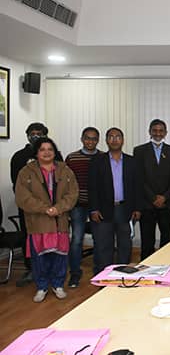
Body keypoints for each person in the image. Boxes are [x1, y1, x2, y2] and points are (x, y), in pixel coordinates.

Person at [15, 137, 78, 302]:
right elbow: (22, 197)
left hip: (60, 220)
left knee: (60, 256)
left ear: (55, 151)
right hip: (38, 221)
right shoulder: (26, 172)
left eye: (50, 149)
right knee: (40, 258)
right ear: (36, 152)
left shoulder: (65, 170)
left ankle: (58, 285)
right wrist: (44, 209)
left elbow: (72, 194)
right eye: (42, 149)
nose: (46, 152)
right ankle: (42, 287)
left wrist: (58, 208)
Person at [10, 122, 63, 287]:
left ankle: (53, 272)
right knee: (31, 239)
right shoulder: (19, 156)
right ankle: (32, 269)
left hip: (53, 209)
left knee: (54, 239)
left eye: (39, 133)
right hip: (30, 209)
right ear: (27, 135)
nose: (35, 136)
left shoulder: (56, 155)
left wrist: (54, 206)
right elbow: (17, 185)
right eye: (32, 133)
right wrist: (35, 205)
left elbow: (62, 183)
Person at [88, 127, 142, 274]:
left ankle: (122, 275)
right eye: (111, 137)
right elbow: (92, 187)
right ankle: (104, 277)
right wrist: (93, 209)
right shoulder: (97, 161)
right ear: (106, 140)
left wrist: (137, 208)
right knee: (104, 246)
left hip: (125, 209)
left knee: (125, 245)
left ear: (123, 140)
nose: (114, 139)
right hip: (104, 210)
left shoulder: (132, 161)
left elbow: (137, 187)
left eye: (117, 136)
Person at [133, 119, 170, 260]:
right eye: (154, 130)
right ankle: (146, 269)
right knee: (147, 240)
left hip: (167, 204)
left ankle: (165, 267)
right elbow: (139, 178)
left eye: (161, 130)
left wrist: (164, 197)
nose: (158, 133)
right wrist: (153, 198)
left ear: (166, 133)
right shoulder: (139, 151)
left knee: (166, 238)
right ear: (149, 132)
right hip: (147, 204)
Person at [65, 127, 103, 288]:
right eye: (87, 138)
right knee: (77, 240)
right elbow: (65, 183)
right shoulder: (72, 158)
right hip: (77, 205)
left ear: (98, 140)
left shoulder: (103, 157)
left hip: (98, 206)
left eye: (94, 139)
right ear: (82, 139)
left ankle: (99, 272)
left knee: (99, 240)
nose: (90, 142)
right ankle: (75, 273)